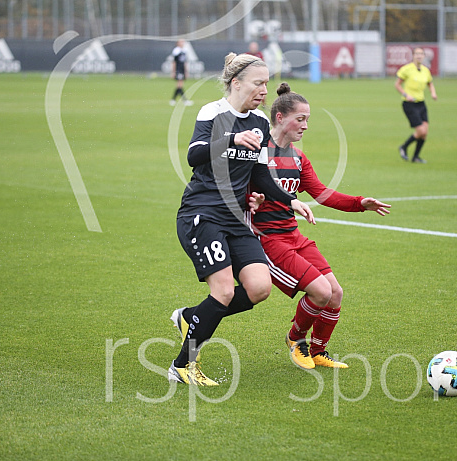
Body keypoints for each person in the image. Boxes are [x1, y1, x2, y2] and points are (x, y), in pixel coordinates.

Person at [168, 54, 315, 386]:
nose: (265, 89)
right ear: (236, 83)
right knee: (221, 291)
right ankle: (182, 365)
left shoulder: (261, 122)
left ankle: (191, 318)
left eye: (266, 83)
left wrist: (292, 201)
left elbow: (261, 177)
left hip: (237, 219)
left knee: (260, 288)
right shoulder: (213, 112)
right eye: (258, 83)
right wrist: (231, 139)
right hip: (202, 213)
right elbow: (194, 154)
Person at [250, 83, 392, 369]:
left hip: (294, 236)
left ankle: (318, 352)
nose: (305, 126)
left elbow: (322, 193)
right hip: (268, 240)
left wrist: (358, 202)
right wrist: (252, 200)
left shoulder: (299, 158)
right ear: (280, 118)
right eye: (300, 119)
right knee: (321, 292)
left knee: (335, 292)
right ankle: (295, 339)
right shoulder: (257, 152)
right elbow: (236, 190)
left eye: (307, 120)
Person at [395, 47, 437, 164]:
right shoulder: (407, 69)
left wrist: (433, 93)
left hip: (421, 103)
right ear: (413, 55)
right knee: (421, 131)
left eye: (421, 54)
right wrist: (405, 94)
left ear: (424, 56)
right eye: (417, 54)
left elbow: (430, 83)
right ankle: (404, 146)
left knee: (424, 133)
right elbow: (397, 85)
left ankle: (416, 157)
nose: (419, 56)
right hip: (409, 104)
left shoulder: (425, 70)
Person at [169, 39, 192, 106]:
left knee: (179, 86)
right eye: (181, 42)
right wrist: (173, 71)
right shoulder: (176, 51)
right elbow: (174, 62)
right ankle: (184, 100)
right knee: (179, 85)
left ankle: (173, 100)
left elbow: (184, 62)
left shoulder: (184, 51)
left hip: (182, 70)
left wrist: (186, 71)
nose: (183, 43)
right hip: (178, 70)